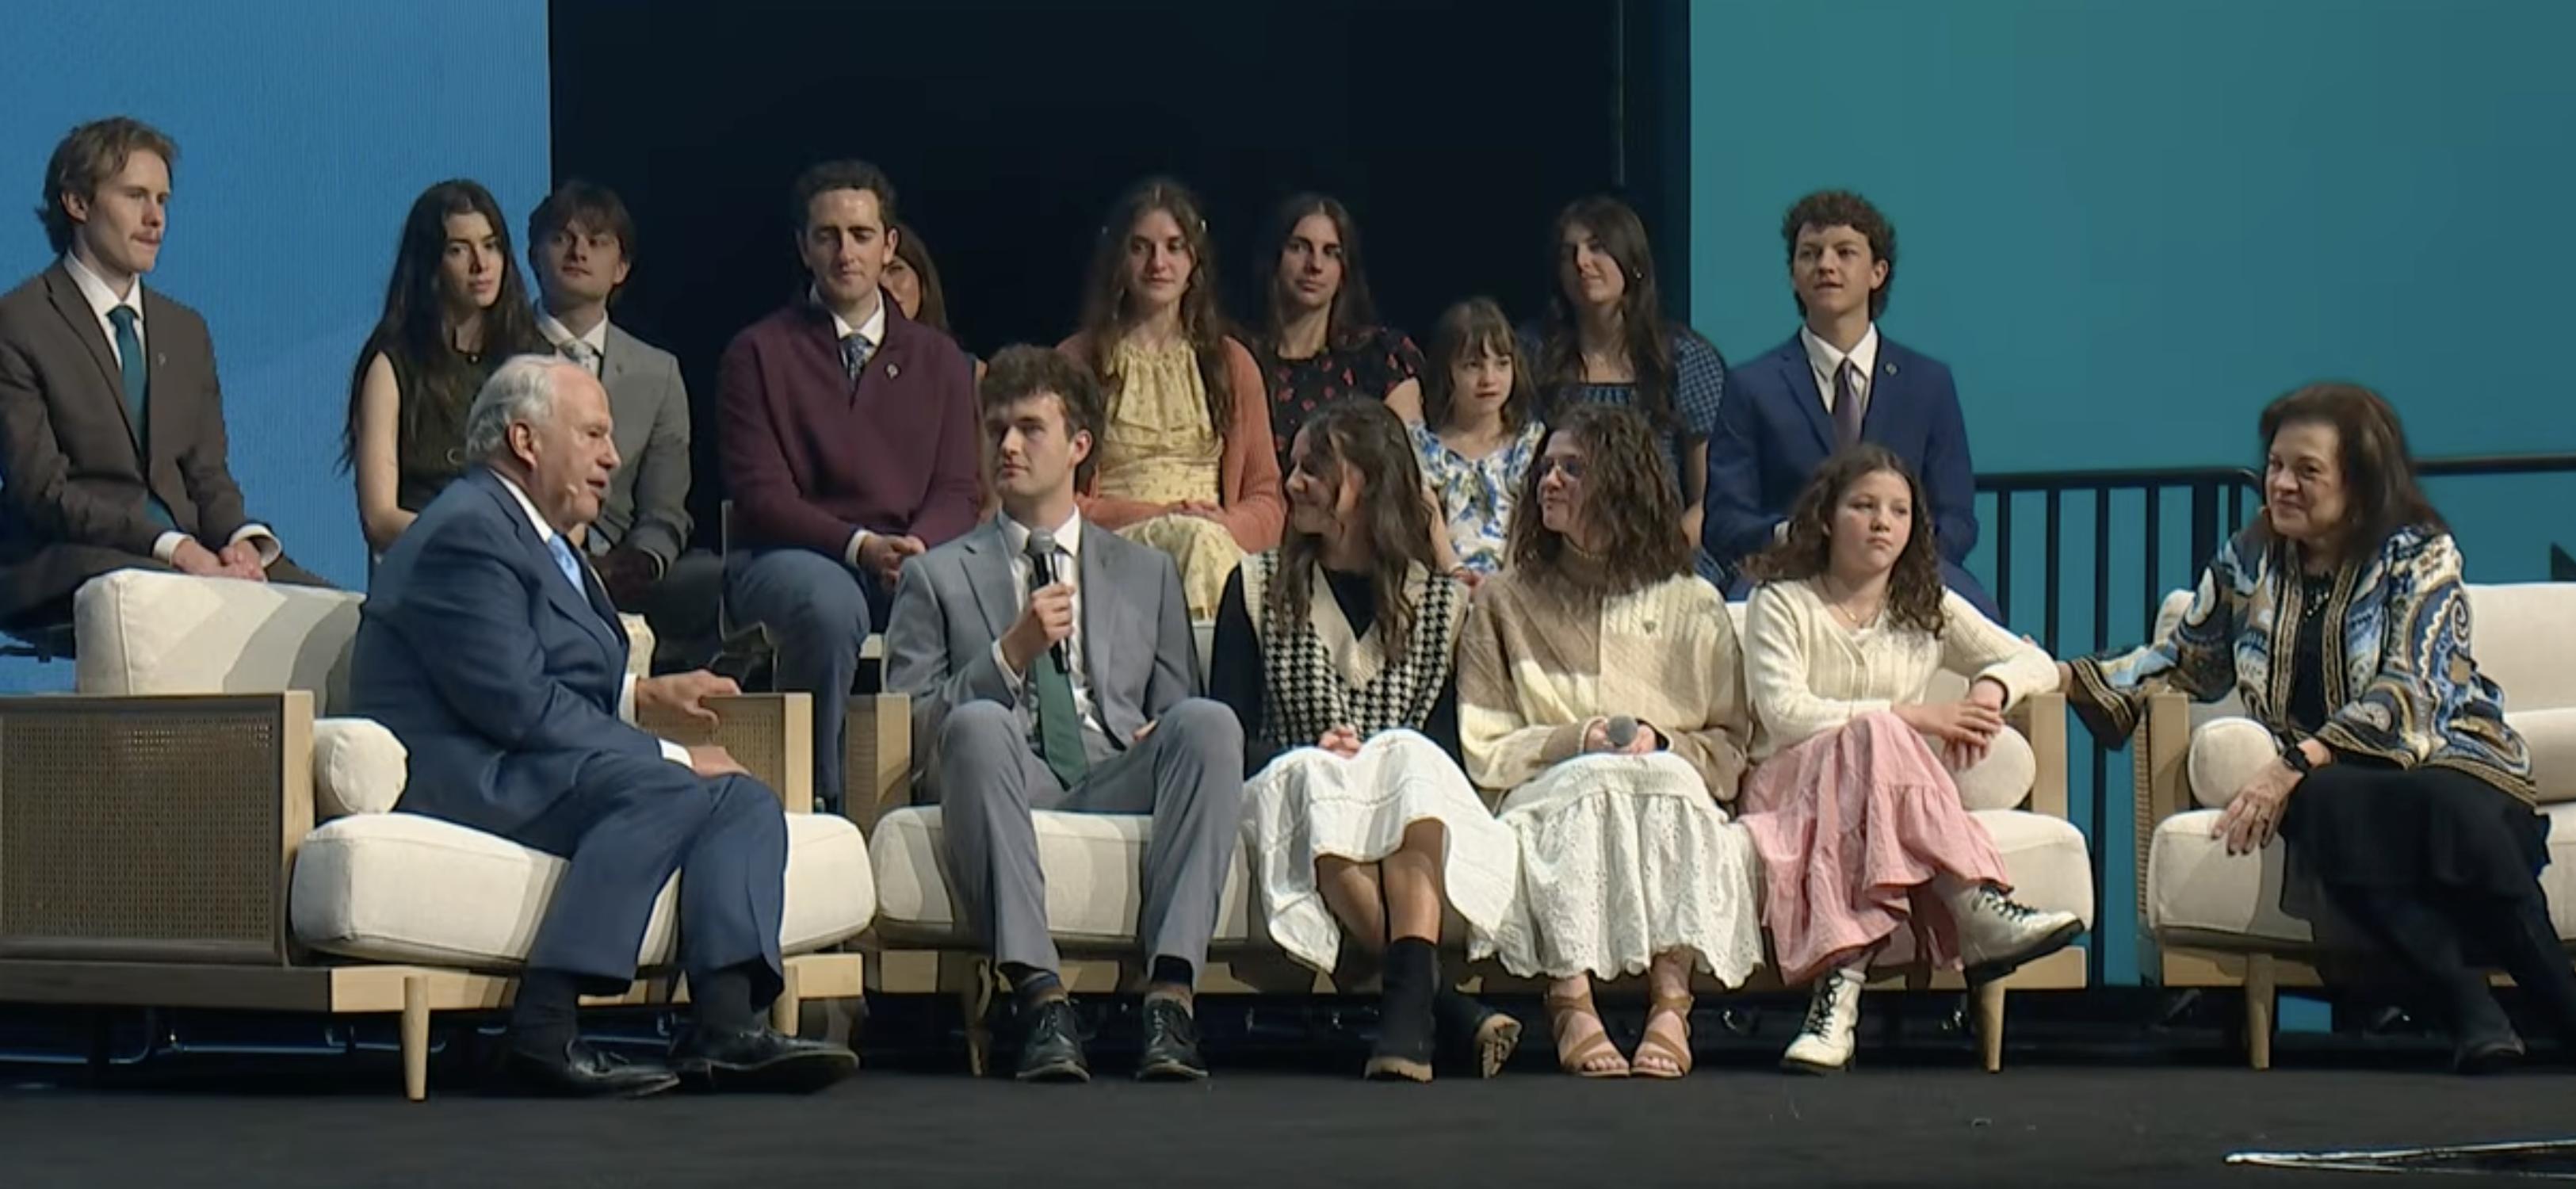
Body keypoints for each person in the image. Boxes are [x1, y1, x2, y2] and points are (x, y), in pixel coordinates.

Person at [352, 355, 855, 1096]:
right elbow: (515, 702)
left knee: (744, 798)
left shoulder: (544, 540)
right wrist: (668, 756)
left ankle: (726, 1025)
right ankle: (543, 1029)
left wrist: (641, 694)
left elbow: (547, 671)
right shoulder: (467, 530)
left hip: (530, 756)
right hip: (464, 766)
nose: (613, 458)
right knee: (669, 787)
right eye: (593, 435)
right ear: (526, 441)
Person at [2065, 384, 2575, 1074]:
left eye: (2307, 470)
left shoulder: (2418, 553)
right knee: (2332, 808)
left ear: (2360, 480)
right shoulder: (2250, 558)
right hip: (2336, 783)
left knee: (2446, 809)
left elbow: (2412, 686)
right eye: (2276, 465)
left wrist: (2299, 760)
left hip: (2445, 754)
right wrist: (2061, 677)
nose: (2281, 484)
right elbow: (2188, 658)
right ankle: (2472, 1014)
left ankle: (2560, 1008)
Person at [883, 345, 1244, 1084]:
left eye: (1028, 428)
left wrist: (1158, 728)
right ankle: (1040, 998)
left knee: (1210, 724)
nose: (1007, 446)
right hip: (1013, 776)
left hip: (1114, 769)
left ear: (1079, 446)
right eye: (995, 430)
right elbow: (918, 734)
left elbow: (1174, 708)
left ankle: (1170, 998)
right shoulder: (935, 576)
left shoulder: (1148, 572)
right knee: (978, 724)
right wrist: (1008, 655)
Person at [1735, 445, 2081, 1076]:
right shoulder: (1781, 601)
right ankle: (1972, 902)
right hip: (1788, 786)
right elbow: (1786, 714)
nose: (1881, 523)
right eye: (1863, 506)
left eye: (1898, 511)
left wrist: (1990, 687)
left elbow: (2034, 660)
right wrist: (1910, 715)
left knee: (1879, 740)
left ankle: (1837, 1000)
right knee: (1880, 731)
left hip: (1874, 796)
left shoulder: (1926, 605)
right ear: (1826, 518)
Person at [1210, 400, 1521, 1082]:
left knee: (1407, 757)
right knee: (1321, 779)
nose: (1293, 484)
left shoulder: (1442, 605)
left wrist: (1373, 758)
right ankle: (1426, 1008)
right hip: (1294, 792)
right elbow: (1226, 733)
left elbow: (1444, 754)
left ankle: (1407, 1013)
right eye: (1293, 466)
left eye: (1314, 470)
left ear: (1371, 486)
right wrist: (1314, 750)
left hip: (1405, 814)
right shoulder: (1255, 585)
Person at [1457, 403, 1764, 1080]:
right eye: (1548, 468)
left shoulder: (1693, 603)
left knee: (1669, 781)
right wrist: (1576, 739)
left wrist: (1662, 742)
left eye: (1574, 469)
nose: (1550, 483)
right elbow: (1484, 744)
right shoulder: (1504, 601)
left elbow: (1729, 747)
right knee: (1588, 781)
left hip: (1661, 783)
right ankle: (1569, 1000)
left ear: (1621, 483)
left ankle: (1671, 1004)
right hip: (1551, 790)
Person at [719, 159, 981, 815]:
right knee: (829, 605)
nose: (846, 252)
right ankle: (825, 802)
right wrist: (862, 546)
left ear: (889, 245)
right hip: (790, 556)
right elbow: (762, 495)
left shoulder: (941, 360)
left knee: (982, 592)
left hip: (911, 557)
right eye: (828, 236)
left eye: (862, 235)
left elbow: (960, 489)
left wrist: (918, 547)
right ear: (804, 247)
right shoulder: (757, 353)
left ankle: (958, 794)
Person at [0, 116, 324, 629]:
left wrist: (240, 541)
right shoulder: (19, 322)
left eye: (163, 200)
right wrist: (175, 549)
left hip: (188, 552)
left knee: (340, 614)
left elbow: (207, 476)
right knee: (175, 596)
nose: (156, 219)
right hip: (72, 555)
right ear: (78, 204)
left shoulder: (185, 330)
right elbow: (40, 491)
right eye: (135, 196)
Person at [1705, 189, 1993, 615]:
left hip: (1905, 573)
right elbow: (1726, 521)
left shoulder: (1927, 383)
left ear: (1878, 272)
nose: (1826, 265)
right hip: (1790, 576)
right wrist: (1798, 539)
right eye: (1810, 254)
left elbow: (1957, 518)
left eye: (1845, 252)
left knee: (1986, 627)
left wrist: (1894, 552)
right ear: (1793, 276)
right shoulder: (1752, 386)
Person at [1061, 178, 1282, 619]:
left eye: (1174, 247)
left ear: (1194, 260)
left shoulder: (1231, 362)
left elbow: (1267, 497)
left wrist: (1224, 524)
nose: (1158, 263)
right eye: (1141, 248)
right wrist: (1165, 516)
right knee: (1192, 540)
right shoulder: (1077, 362)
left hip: (1215, 542)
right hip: (1112, 545)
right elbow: (1057, 498)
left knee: (1203, 546)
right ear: (1120, 261)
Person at [526, 180, 721, 670]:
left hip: (624, 568)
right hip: (520, 556)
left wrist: (638, 563)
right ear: (533, 256)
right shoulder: (495, 356)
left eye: (597, 241)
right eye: (562, 238)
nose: (578, 251)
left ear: (622, 268)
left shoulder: (659, 372)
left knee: (724, 581)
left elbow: (666, 511)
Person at [1531, 195, 1726, 581]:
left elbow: (1711, 498)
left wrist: (1661, 554)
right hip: (1560, 562)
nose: (1582, 263)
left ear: (1632, 261)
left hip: (1667, 556)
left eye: (1597, 248)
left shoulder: (1686, 360)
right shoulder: (1534, 356)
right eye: (1569, 253)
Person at [345, 179, 545, 555]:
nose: (481, 265)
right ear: (430, 265)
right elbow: (380, 517)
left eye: (491, 246)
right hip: (430, 565)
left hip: (523, 566)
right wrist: (478, 543)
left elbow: (570, 501)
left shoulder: (534, 359)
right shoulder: (392, 364)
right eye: (458, 250)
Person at [1252, 194, 1424, 460]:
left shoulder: (1380, 357)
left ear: (1345, 270)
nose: (1315, 266)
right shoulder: (1242, 360)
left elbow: (1412, 469)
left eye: (1331, 253)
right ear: (1275, 259)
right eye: (1299, 247)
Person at [1412, 297, 1544, 580]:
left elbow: (1527, 521)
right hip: (1444, 584)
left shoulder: (1530, 443)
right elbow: (1428, 516)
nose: (1489, 379)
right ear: (1448, 372)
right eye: (1473, 365)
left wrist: (1503, 583)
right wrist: (1456, 572)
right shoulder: (1424, 449)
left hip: (1514, 586)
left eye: (1501, 364)